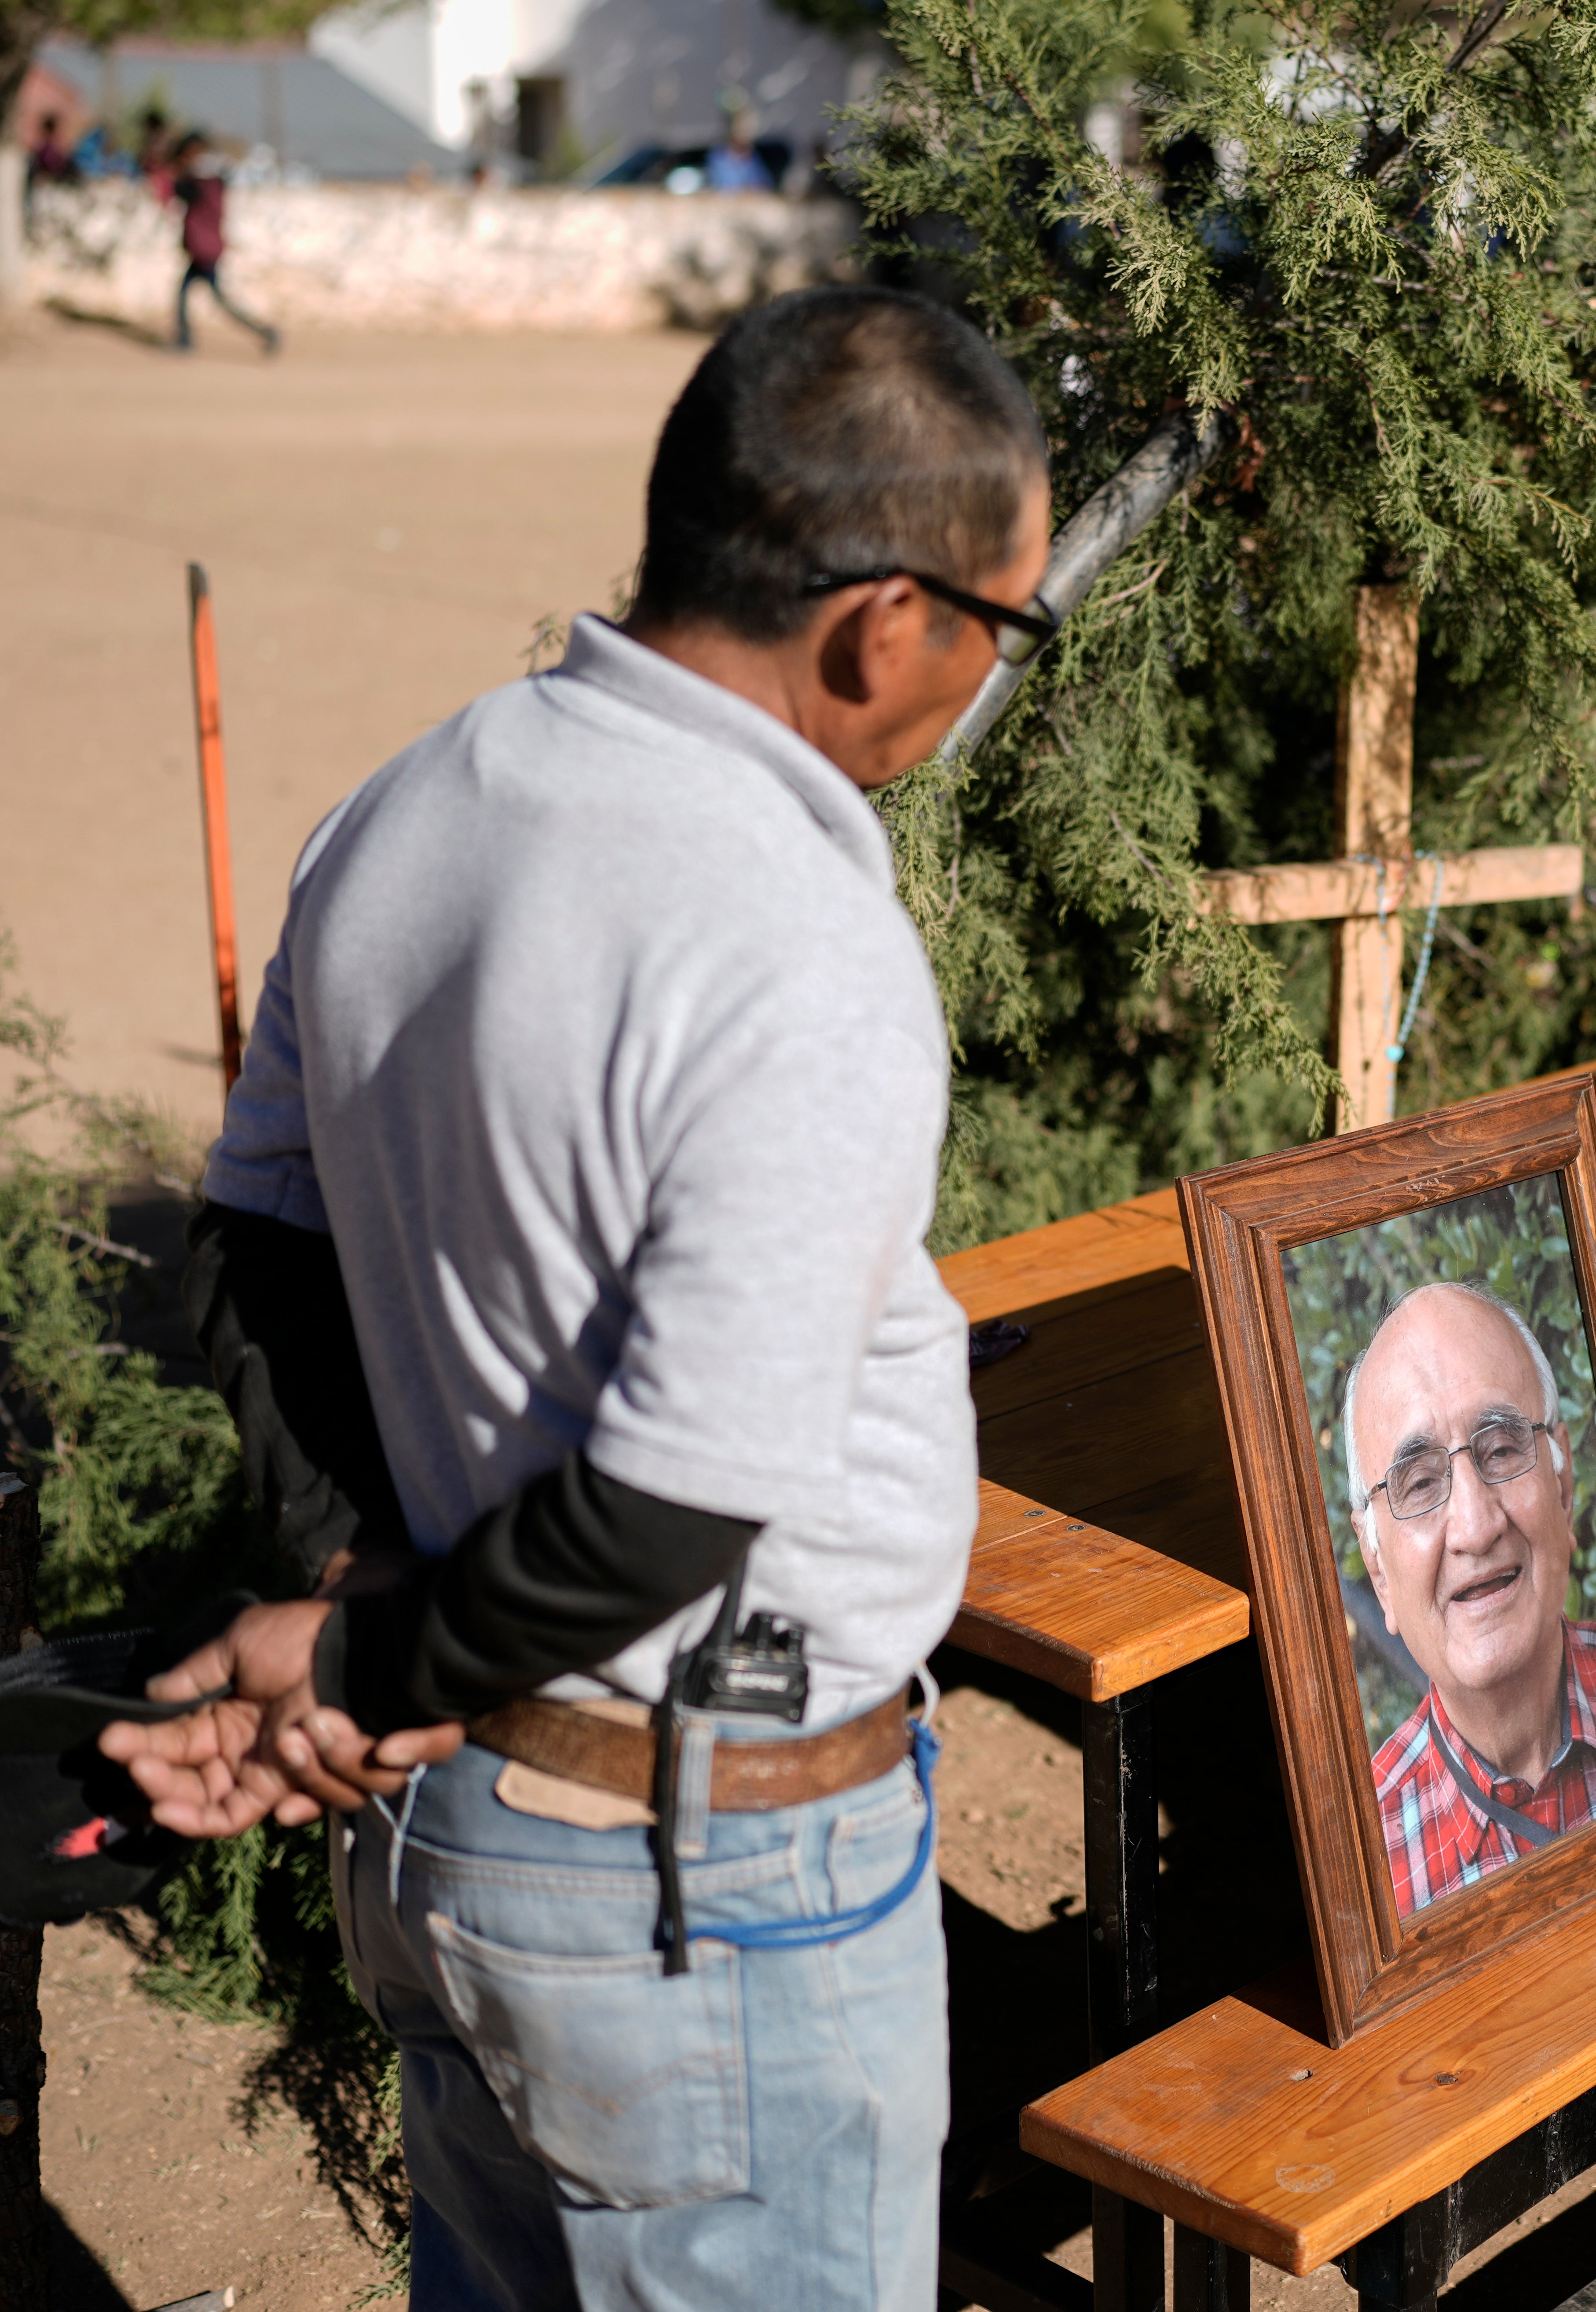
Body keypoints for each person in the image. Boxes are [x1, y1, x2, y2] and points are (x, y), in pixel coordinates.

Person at [99, 284, 1054, 2305]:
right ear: (885, 623)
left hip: (454, 1849)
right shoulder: (796, 939)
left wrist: (361, 1568)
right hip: (705, 1879)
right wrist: (361, 1657)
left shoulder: (405, 809)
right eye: (1007, 626)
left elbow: (257, 1238)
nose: (991, 676)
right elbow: (676, 1496)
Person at [1344, 1280, 1596, 1918]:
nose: (1475, 1525)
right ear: (1378, 1569)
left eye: (1500, 1449)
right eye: (1420, 1483)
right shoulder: (1360, 1873)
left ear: (1563, 1486)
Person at [168, 132, 278, 357]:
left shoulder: (200, 186)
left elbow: (177, 190)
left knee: (212, 299)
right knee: (191, 295)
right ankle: (186, 338)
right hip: (207, 250)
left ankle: (264, 333)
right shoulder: (214, 185)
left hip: (204, 252)